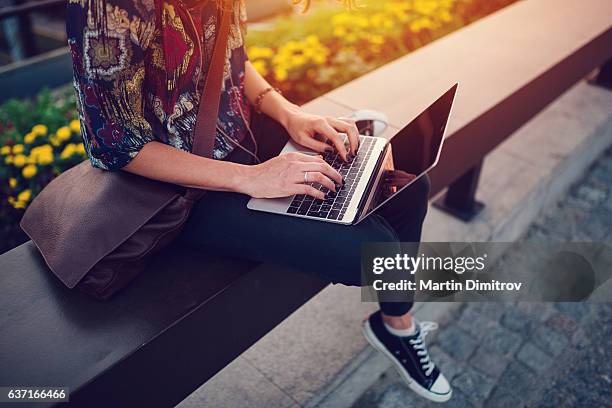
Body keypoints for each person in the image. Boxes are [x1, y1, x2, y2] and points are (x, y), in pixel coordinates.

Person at [66, 0, 451, 402]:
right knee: (379, 254)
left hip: (240, 133)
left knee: (407, 188)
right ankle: (396, 323)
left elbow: (231, 56)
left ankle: (397, 327)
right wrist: (250, 178)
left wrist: (289, 114)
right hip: (182, 187)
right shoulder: (109, 8)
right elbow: (113, 146)